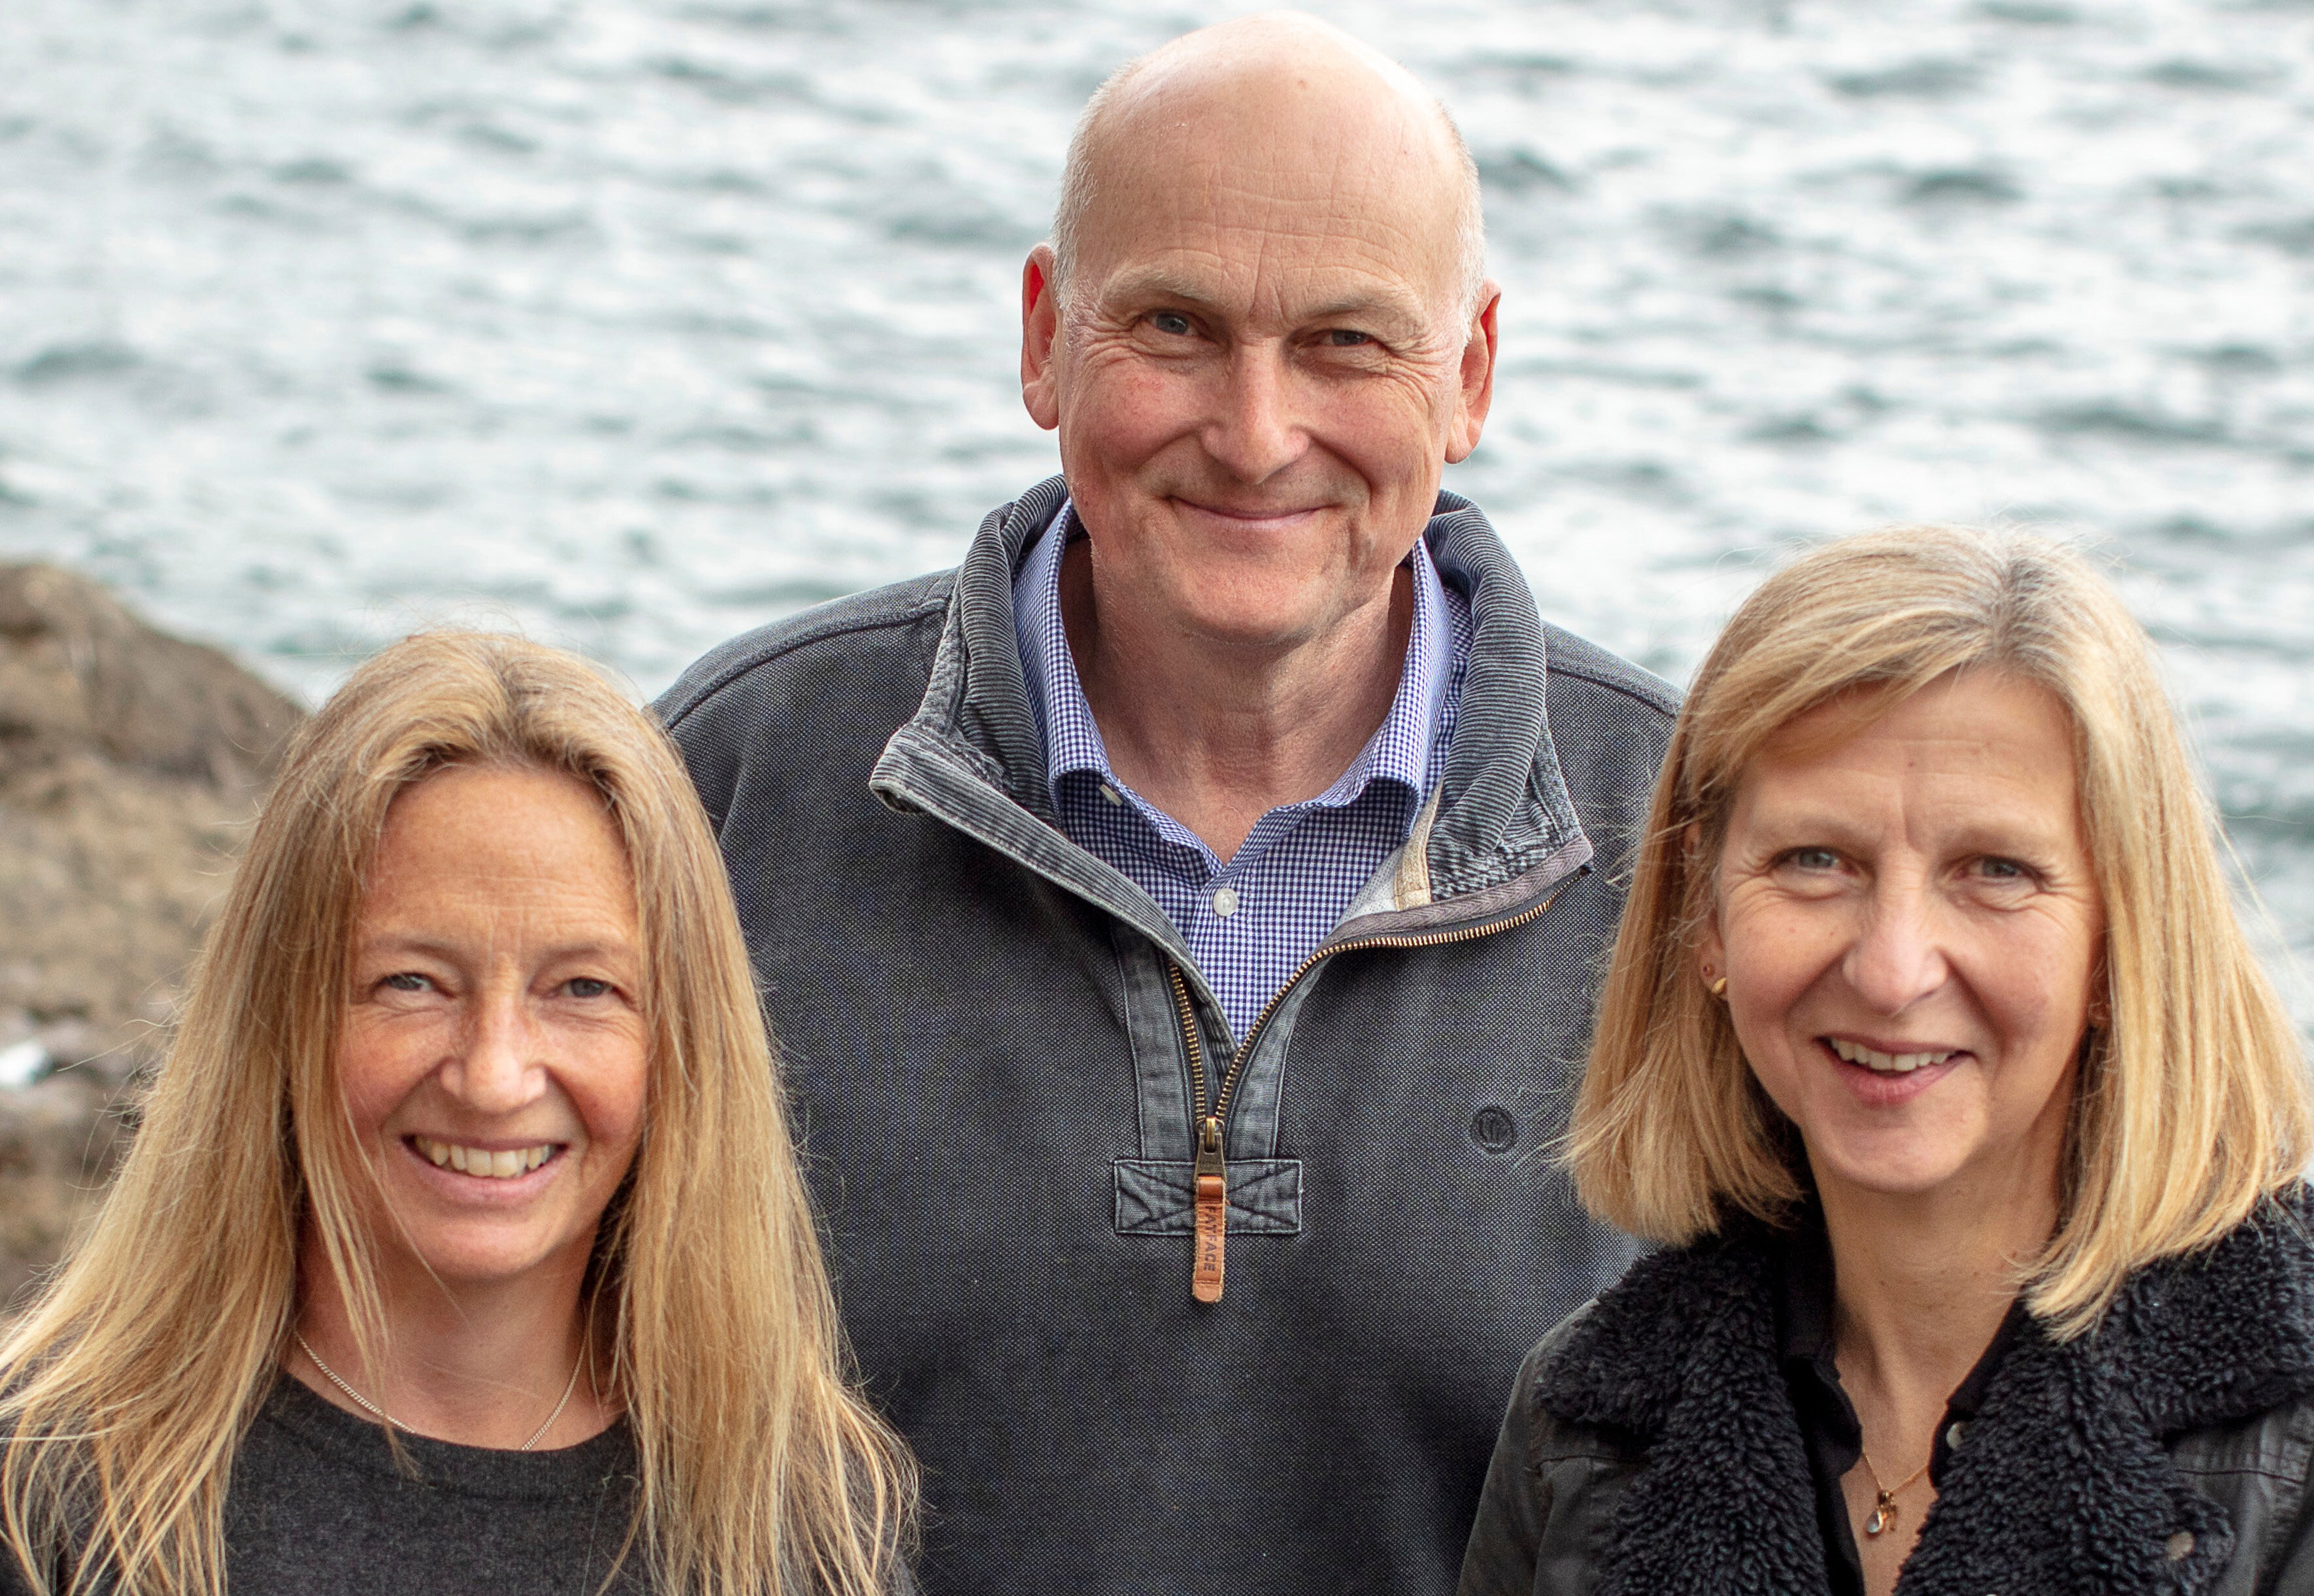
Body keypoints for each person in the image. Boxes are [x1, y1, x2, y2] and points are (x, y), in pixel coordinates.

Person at [655, 12, 1677, 1592]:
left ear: (1468, 373)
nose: (1257, 434)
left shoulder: (1696, 852)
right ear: (1045, 338)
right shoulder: (729, 796)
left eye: (1347, 341)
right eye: (1178, 326)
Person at [1458, 524, 2314, 1596]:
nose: (1894, 970)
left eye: (1996, 870)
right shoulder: (1588, 1421)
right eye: (1815, 860)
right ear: (1704, 918)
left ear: (2119, 941)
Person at [0, 633, 912, 1595]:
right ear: (280, 1014)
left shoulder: (799, 1519)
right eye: (410, 980)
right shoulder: (30, 1500)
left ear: (683, 1047)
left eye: (581, 987)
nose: (493, 1077)